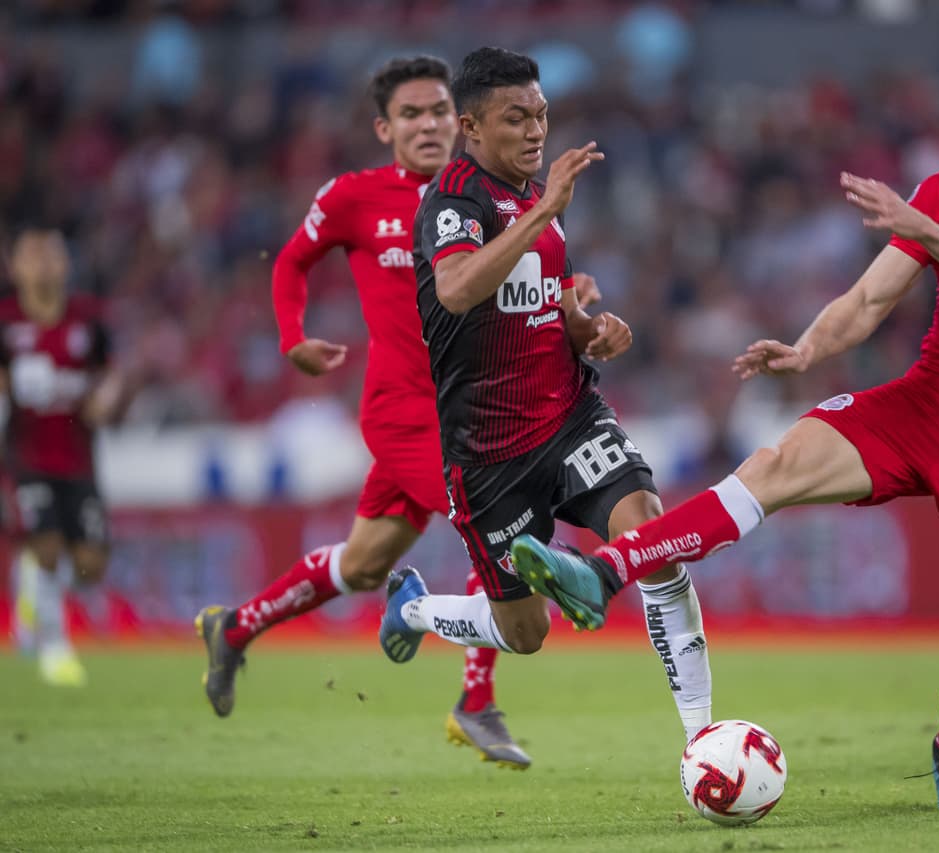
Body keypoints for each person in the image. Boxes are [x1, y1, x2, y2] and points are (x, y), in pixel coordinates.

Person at [509, 39, 939, 810]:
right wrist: (806, 347)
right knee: (778, 462)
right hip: (926, 402)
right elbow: (868, 301)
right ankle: (602, 573)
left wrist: (925, 229)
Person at [194, 56, 534, 769]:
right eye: (411, 114)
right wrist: (292, 339)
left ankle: (235, 626)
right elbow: (290, 262)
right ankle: (475, 701)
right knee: (491, 515)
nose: (429, 124)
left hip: (469, 405)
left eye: (440, 110)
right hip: (404, 410)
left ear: (461, 118)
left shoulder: (490, 193)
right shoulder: (354, 196)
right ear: (385, 128)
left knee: (361, 563)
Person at [379, 46, 714, 744]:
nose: (536, 131)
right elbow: (458, 287)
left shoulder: (537, 197)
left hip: (570, 419)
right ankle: (412, 609)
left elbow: (548, 304)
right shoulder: (455, 198)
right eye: (516, 118)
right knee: (524, 633)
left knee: (651, 533)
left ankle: (702, 737)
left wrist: (591, 330)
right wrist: (543, 214)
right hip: (490, 455)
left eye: (542, 115)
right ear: (470, 126)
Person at [1, 224, 128, 687]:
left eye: (51, 254)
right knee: (48, 546)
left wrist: (107, 397)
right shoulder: (6, 323)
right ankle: (55, 649)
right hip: (24, 460)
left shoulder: (87, 321)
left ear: (66, 262)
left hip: (78, 461)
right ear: (13, 266)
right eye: (32, 255)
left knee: (90, 565)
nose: (43, 263)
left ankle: (31, 588)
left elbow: (111, 374)